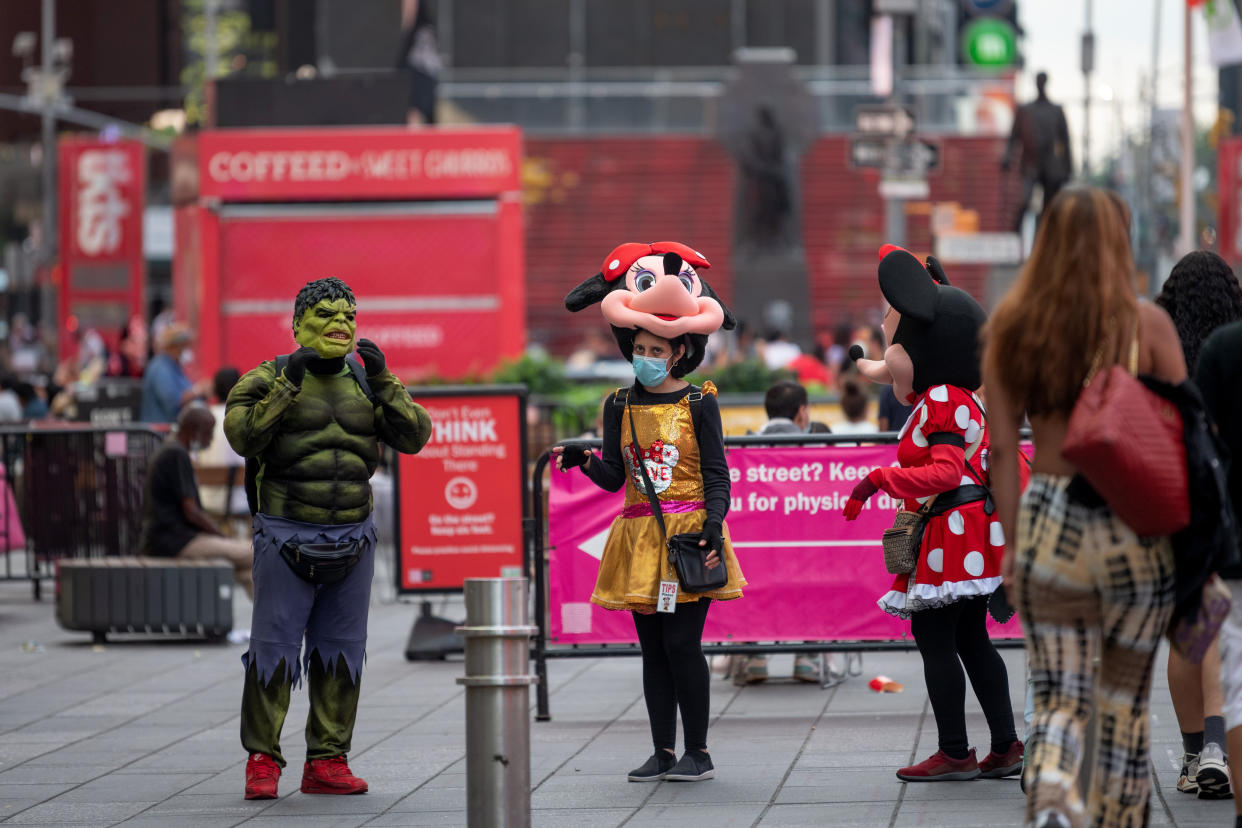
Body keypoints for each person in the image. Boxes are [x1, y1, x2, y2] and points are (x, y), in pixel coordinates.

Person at [984, 187, 1186, 827]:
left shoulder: (1012, 329)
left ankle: (1050, 801)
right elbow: (1187, 432)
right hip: (1134, 526)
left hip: (1048, 517)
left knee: (1059, 699)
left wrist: (1014, 546)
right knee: (1124, 704)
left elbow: (998, 454)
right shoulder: (1146, 324)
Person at [225, 277, 432, 800]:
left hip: (354, 535)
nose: (340, 323)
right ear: (297, 325)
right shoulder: (266, 376)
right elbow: (241, 436)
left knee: (342, 652)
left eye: (348, 315)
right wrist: (287, 386)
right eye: (325, 314)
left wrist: (385, 381)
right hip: (284, 532)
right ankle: (261, 760)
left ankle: (327, 760)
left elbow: (415, 437)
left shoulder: (366, 383)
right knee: (273, 651)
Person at [557, 241, 746, 783]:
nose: (649, 356)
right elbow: (617, 477)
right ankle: (663, 750)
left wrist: (714, 522)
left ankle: (699, 753)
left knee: (684, 645)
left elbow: (716, 473)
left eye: (659, 349)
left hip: (689, 537)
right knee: (654, 652)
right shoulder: (618, 404)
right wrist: (584, 461)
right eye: (641, 346)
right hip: (639, 539)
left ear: (680, 352)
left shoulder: (699, 401)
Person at [847, 245, 1021, 784]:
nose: (890, 350)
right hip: (968, 528)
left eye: (895, 337)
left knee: (935, 636)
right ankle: (1004, 745)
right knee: (970, 638)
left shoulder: (943, 396)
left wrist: (878, 480)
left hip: (954, 527)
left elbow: (945, 472)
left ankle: (956, 750)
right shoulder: (961, 395)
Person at [1155, 249, 1242, 800]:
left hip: (1173, 504)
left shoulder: (1160, 347)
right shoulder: (1232, 346)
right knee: (1222, 630)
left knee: (1189, 633)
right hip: (1229, 507)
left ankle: (1196, 754)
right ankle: (1217, 747)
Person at [736, 380, 821, 684]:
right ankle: (808, 658)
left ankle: (753, 657)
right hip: (805, 543)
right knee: (812, 588)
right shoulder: (817, 446)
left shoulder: (744, 446)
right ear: (802, 412)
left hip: (759, 544)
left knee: (753, 590)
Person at [1195, 319, 1242, 828]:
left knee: (1233, 674)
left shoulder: (1223, 348)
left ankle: (1204, 751)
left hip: (1232, 541)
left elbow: (1199, 445)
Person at [138, 404, 254, 598]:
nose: (211, 439)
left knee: (247, 570)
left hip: (172, 538)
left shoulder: (171, 448)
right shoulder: (177, 454)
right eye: (209, 433)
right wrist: (221, 536)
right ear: (195, 430)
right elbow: (191, 511)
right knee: (252, 554)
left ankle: (267, 624)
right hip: (175, 541)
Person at [1002, 71, 1073, 232]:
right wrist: (1007, 156)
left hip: (1051, 166)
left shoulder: (1056, 110)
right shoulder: (1025, 110)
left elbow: (1065, 141)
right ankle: (1015, 236)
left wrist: (1068, 169)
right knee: (1024, 202)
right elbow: (1013, 137)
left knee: (1050, 207)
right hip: (1030, 164)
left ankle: (1046, 237)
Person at [197, 367, 247, 519]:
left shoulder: (200, 418)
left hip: (206, 501)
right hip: (242, 502)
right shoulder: (246, 417)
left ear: (215, 389)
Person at [140, 324, 210, 423]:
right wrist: (197, 391)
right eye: (184, 346)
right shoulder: (160, 368)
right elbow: (172, 401)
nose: (186, 350)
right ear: (174, 347)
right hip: (160, 432)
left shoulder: (174, 366)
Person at [396, 0, 441, 126]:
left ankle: (416, 137)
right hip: (423, 63)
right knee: (422, 106)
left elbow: (409, 24)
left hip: (420, 62)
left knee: (414, 107)